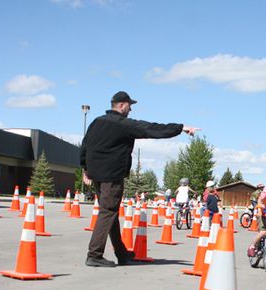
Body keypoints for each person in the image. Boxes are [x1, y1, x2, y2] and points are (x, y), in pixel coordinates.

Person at [80, 90, 200, 267]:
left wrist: (85, 169)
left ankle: (121, 253)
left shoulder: (97, 122)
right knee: (108, 212)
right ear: (121, 105)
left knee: (109, 212)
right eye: (129, 106)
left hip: (96, 175)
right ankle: (94, 254)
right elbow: (150, 128)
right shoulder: (122, 124)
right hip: (112, 176)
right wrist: (180, 128)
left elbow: (85, 145)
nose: (131, 110)